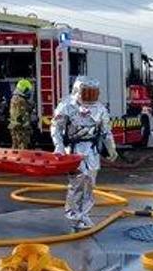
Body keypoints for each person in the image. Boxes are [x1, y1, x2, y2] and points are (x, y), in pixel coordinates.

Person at [50, 76, 117, 232]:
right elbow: (56, 128)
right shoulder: (66, 106)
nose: (90, 97)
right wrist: (59, 147)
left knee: (90, 184)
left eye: (93, 93)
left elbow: (106, 131)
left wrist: (111, 148)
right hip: (74, 150)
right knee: (77, 183)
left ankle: (84, 215)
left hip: (92, 150)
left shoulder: (100, 109)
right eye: (86, 93)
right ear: (77, 91)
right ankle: (74, 216)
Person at [9, 78, 35, 150]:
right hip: (21, 129)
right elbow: (23, 115)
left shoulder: (15, 98)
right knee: (22, 148)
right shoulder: (20, 100)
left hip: (16, 128)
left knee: (16, 146)